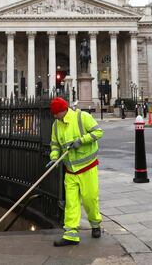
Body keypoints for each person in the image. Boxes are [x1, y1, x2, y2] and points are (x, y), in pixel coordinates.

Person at [49, 97, 103, 247]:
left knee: (90, 199)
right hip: (70, 170)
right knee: (71, 203)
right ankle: (71, 234)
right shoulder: (56, 125)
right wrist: (54, 157)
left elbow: (98, 132)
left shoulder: (82, 117)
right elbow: (54, 144)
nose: (54, 116)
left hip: (87, 167)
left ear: (62, 111)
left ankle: (95, 224)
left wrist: (81, 140)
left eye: (55, 113)